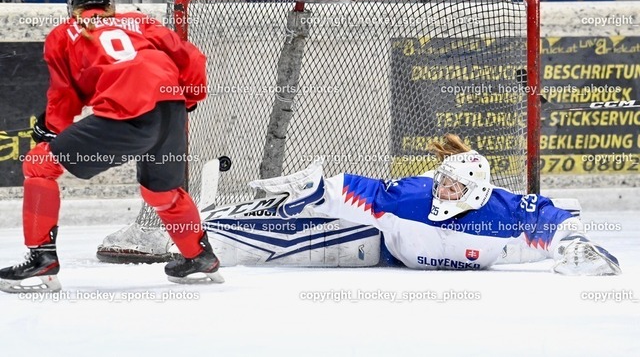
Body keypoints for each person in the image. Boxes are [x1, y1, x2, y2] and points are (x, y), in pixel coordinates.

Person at [0, 0, 222, 293]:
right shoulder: (140, 21)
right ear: (109, 1)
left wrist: (49, 131)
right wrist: (190, 96)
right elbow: (191, 58)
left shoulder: (65, 33)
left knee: (38, 164)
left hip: (127, 111)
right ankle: (200, 257)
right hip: (170, 106)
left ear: (71, 4)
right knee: (162, 192)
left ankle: (41, 262)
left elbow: (65, 97)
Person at [248, 134, 621, 276]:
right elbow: (368, 192)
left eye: (452, 186)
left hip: (493, 254)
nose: (441, 190)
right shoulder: (413, 196)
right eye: (441, 180)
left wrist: (575, 244)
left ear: (474, 193)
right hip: (393, 248)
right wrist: (318, 191)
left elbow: (545, 214)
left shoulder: (500, 211)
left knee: (554, 233)